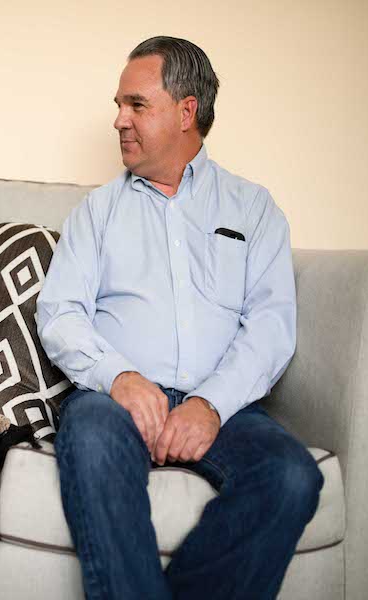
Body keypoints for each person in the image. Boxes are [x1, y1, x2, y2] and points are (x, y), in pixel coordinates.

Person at [37, 36, 323, 600]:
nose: (118, 119)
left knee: (293, 476)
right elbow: (60, 312)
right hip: (112, 403)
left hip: (223, 405)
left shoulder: (254, 209)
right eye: (118, 105)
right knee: (89, 436)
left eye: (135, 105)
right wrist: (120, 376)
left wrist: (209, 404)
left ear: (186, 111)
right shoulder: (98, 211)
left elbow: (269, 326)